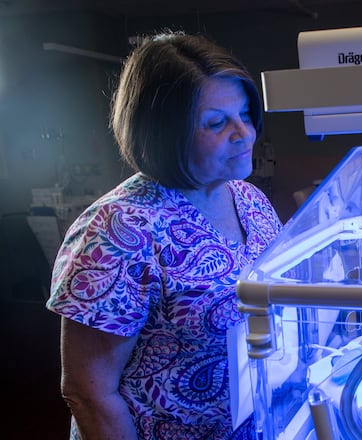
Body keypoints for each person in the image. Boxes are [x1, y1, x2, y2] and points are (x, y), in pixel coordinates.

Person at [46, 31, 282, 439]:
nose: (243, 133)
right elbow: (87, 391)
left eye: (244, 115)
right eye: (216, 122)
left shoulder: (250, 199)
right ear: (163, 131)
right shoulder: (118, 229)